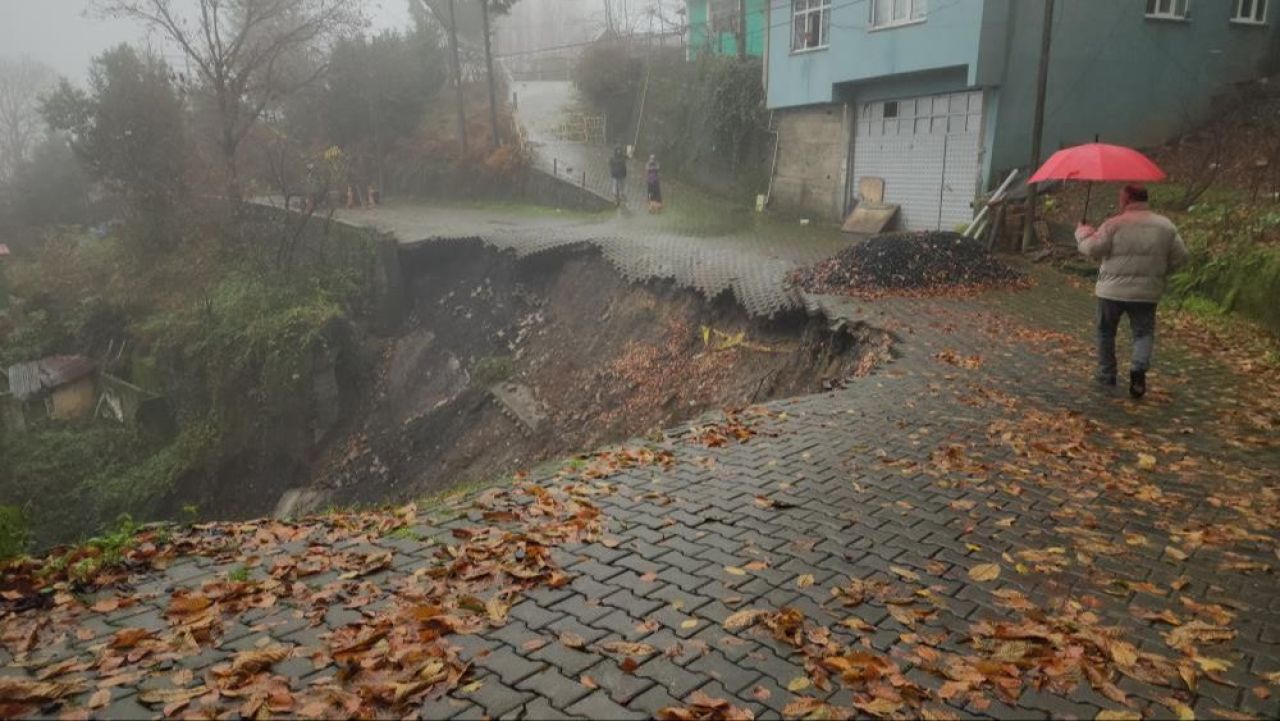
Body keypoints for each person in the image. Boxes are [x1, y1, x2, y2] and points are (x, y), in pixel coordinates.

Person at [1075, 184, 1190, 399]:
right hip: (1146, 293)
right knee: (1143, 333)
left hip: (1111, 291)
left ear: (1127, 200)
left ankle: (1106, 375)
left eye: (1121, 197)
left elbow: (1093, 249)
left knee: (1105, 332)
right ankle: (1138, 369)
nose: (1119, 201)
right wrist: (1159, 272)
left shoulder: (1114, 224)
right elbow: (1181, 257)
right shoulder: (1166, 226)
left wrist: (1082, 233)